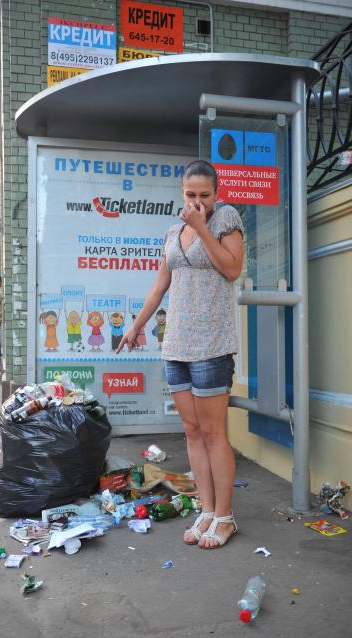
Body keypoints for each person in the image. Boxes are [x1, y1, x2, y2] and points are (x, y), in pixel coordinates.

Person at [117, 160, 244, 550]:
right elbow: (159, 286)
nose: (197, 202)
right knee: (191, 432)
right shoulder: (173, 232)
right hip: (176, 345)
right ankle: (206, 509)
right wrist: (136, 325)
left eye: (205, 195)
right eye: (191, 195)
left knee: (213, 433)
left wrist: (204, 228)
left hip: (211, 345)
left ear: (216, 193)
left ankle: (224, 517)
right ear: (181, 192)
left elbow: (233, 268)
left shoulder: (226, 219)